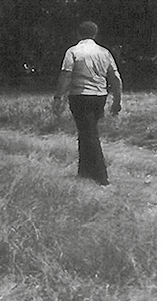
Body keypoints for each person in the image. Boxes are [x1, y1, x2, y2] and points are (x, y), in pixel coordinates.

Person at [53, 21, 123, 186]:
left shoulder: (73, 51)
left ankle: (100, 175)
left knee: (89, 134)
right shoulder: (104, 52)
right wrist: (117, 100)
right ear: (95, 34)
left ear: (78, 34)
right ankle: (84, 171)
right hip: (100, 96)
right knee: (86, 132)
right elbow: (115, 77)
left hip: (80, 95)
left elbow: (66, 75)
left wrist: (58, 97)